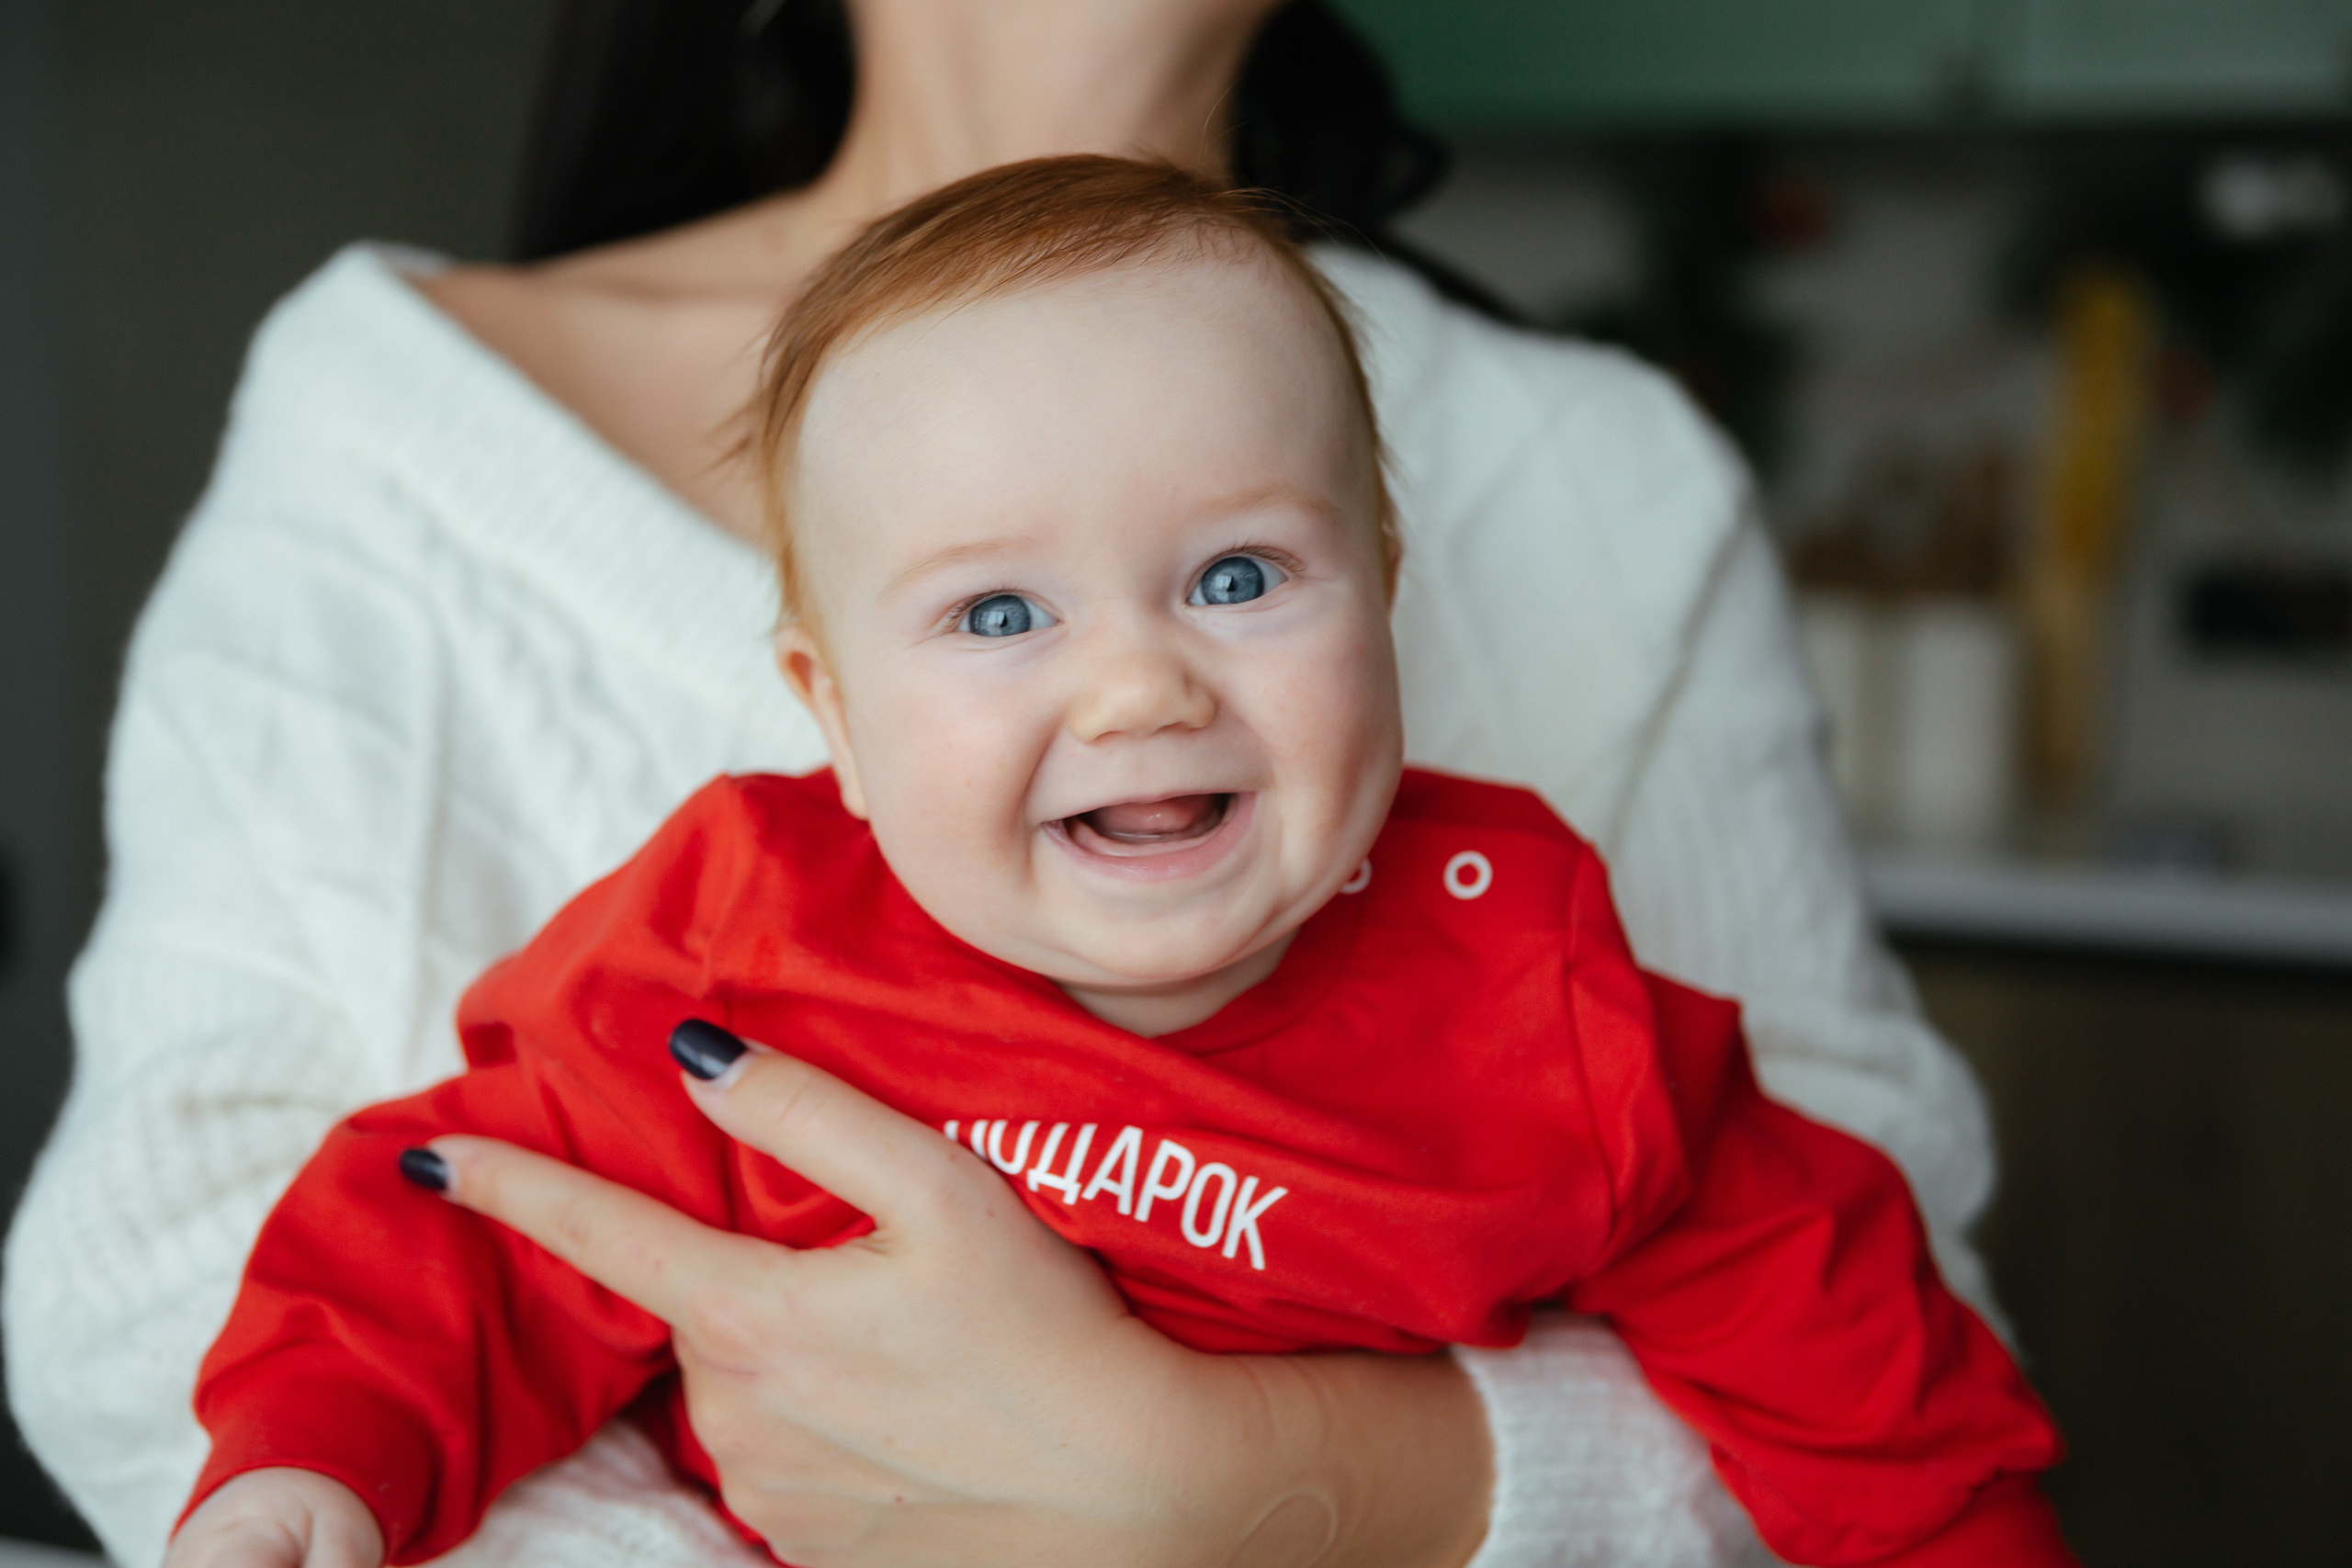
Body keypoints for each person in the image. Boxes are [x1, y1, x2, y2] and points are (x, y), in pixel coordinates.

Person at [3, 4, 2007, 1567]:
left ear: (1387, 590)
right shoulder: (743, 937)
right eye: (993, 614)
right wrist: (315, 1454)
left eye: (1241, 578)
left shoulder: (1528, 982)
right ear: (825, 713)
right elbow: (427, 1232)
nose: (1139, 684)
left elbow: (1867, 1345)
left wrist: (1284, 1492)